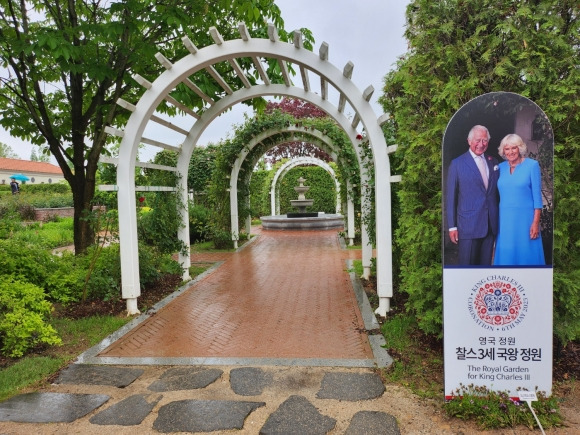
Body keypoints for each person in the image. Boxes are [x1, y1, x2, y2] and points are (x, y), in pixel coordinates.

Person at [446, 125, 499, 265]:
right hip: (468, 226)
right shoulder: (457, 164)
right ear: (469, 141)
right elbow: (451, 198)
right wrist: (452, 226)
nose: (481, 144)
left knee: (485, 270)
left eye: (485, 140)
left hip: (490, 226)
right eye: (477, 140)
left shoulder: (493, 162)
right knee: (467, 269)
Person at [493, 134, 545, 265]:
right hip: (504, 220)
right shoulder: (500, 168)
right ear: (503, 151)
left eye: (514, 148)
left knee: (526, 254)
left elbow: (537, 197)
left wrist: (535, 222)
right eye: (507, 149)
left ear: (520, 148)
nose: (510, 152)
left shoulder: (532, 165)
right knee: (506, 256)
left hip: (526, 220)